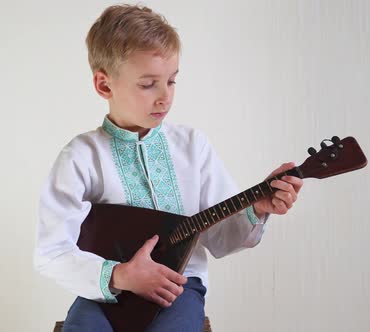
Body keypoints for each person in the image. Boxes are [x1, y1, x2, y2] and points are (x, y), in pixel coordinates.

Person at [34, 4, 303, 331]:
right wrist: (119, 275)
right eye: (148, 84)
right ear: (105, 86)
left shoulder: (193, 147)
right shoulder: (81, 156)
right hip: (103, 292)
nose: (164, 97)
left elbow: (221, 238)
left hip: (177, 286)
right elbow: (51, 252)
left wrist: (256, 209)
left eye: (171, 81)